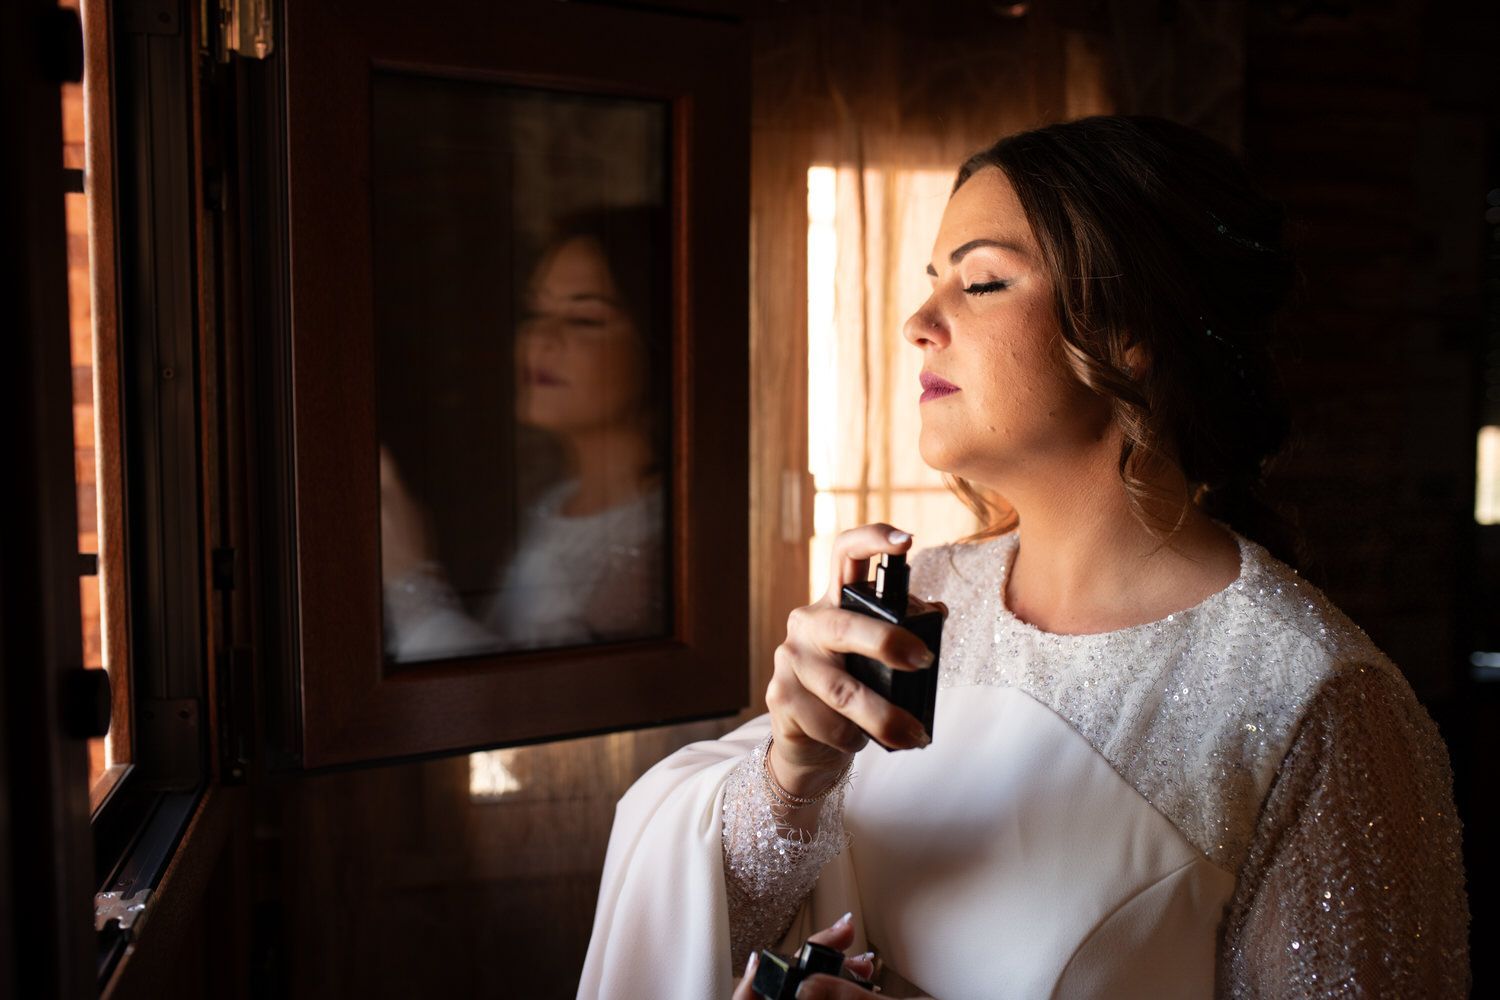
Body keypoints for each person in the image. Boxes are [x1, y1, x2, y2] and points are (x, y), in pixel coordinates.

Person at [577, 116, 1469, 999]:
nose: (918, 322)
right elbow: (713, 929)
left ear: (1131, 327)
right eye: (932, 283)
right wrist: (790, 779)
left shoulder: (1318, 705)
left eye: (983, 282)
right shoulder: (919, 602)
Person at [381, 205, 670, 661]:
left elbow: (558, 712)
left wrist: (411, 582)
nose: (540, 339)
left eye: (584, 319)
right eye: (534, 313)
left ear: (661, 340)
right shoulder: (554, 501)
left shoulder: (655, 548)